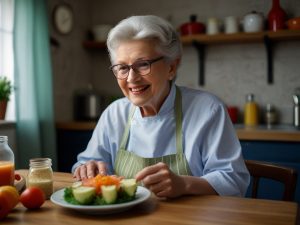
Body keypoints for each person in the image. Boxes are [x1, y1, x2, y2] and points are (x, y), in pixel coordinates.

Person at [72, 15, 250, 198]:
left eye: (143, 65)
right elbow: (86, 164)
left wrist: (184, 184)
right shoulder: (114, 113)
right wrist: (87, 168)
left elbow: (233, 180)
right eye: (122, 68)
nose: (131, 78)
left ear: (171, 68)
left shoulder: (208, 110)